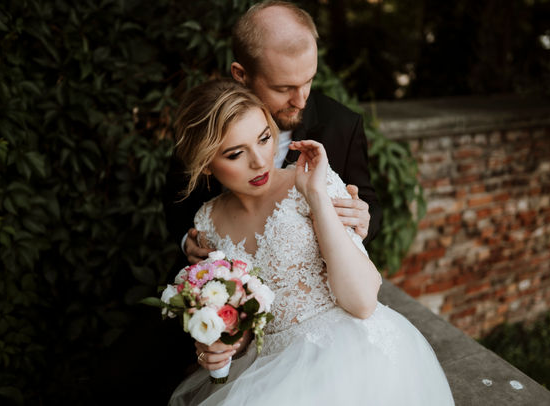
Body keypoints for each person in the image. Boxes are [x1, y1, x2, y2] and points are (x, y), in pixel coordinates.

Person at [167, 79, 454, 405]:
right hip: (267, 368)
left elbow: (362, 302)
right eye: (235, 154)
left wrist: (316, 196)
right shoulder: (206, 223)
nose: (260, 161)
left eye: (264, 138)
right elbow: (245, 327)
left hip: (349, 355)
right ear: (206, 164)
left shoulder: (313, 182)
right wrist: (220, 345)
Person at [163, 0, 382, 269]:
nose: (301, 100)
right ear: (241, 74)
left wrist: (364, 219)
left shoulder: (342, 124)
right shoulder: (207, 116)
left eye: (308, 80)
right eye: (283, 88)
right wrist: (186, 240)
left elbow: (370, 204)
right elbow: (177, 195)